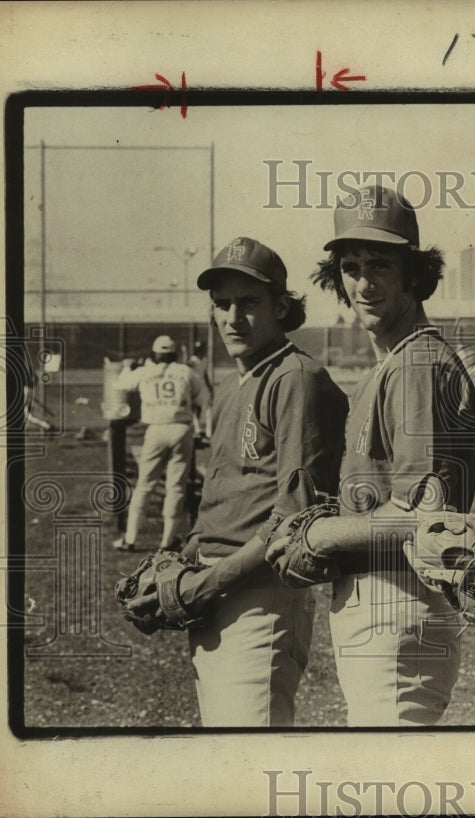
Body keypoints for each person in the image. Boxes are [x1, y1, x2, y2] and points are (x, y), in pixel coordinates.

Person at [271, 185, 475, 726]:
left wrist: (320, 535)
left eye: (379, 265)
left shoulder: (416, 365)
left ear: (413, 272)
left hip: (400, 602)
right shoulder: (393, 364)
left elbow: (425, 521)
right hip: (382, 603)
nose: (362, 284)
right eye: (350, 266)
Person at [166, 236, 347, 727]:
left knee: (252, 761)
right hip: (216, 589)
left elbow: (295, 527)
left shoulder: (297, 380)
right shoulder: (231, 386)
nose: (231, 317)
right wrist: (178, 559)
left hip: (262, 597)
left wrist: (205, 585)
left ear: (281, 306)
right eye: (221, 304)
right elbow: (226, 500)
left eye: (248, 302)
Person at [113, 335, 207, 552]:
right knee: (176, 487)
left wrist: (128, 367)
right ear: (175, 354)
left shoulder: (147, 371)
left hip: (156, 428)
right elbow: (202, 398)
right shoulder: (185, 371)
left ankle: (130, 538)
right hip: (181, 427)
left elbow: (121, 383)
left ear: (154, 354)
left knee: (145, 484)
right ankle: (167, 541)